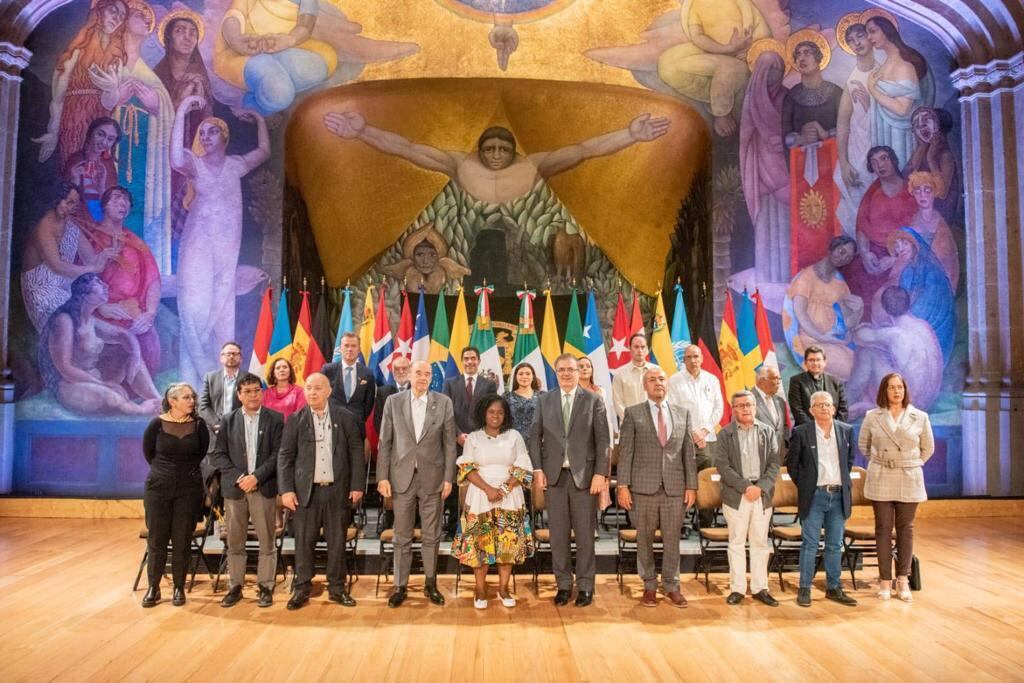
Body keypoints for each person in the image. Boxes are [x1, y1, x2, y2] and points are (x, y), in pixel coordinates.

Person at [322, 111, 669, 206]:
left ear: (514, 151)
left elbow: (585, 149)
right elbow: (407, 148)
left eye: (503, 149)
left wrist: (631, 135)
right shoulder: (460, 163)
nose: (497, 155)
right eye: (490, 149)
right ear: (479, 150)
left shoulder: (534, 164)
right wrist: (363, 132)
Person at [171, 95, 269, 385]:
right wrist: (181, 111)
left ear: (224, 136)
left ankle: (220, 387)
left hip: (226, 249)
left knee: (223, 311)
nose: (206, 136)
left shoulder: (236, 165)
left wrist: (259, 119)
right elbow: (176, 158)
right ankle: (191, 382)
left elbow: (264, 151)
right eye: (202, 133)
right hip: (198, 245)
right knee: (194, 307)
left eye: (212, 131)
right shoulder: (194, 164)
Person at [87, 0, 173, 266]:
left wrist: (156, 104)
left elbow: (166, 110)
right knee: (103, 199)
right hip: (113, 153)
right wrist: (115, 99)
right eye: (139, 15)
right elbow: (90, 103)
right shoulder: (109, 62)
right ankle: (105, 264)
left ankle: (142, 269)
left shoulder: (151, 74)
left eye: (149, 18)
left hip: (145, 156)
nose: (146, 21)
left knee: (141, 209)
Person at [528, 353, 610, 607]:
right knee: (558, 536)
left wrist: (600, 474)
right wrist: (538, 469)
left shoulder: (594, 400)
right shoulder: (544, 400)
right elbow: (534, 437)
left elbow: (604, 441)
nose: (566, 374)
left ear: (579, 372)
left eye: (571, 370)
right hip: (554, 478)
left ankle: (585, 586)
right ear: (556, 372)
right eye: (561, 369)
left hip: (585, 479)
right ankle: (563, 585)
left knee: (585, 536)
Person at [278, 373, 365, 610]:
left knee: (337, 542)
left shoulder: (345, 417)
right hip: (307, 492)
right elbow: (285, 457)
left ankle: (337, 588)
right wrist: (286, 490)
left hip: (337, 490)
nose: (312, 392)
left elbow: (357, 452)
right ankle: (302, 587)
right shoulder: (296, 419)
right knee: (304, 543)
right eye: (308, 388)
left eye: (318, 388)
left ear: (328, 391)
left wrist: (357, 485)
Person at [377, 360, 457, 608]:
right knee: (401, 536)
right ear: (409, 375)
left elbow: (449, 445)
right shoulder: (394, 402)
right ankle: (400, 586)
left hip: (432, 480)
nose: (423, 377)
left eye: (427, 374)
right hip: (401, 479)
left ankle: (430, 583)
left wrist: (448, 478)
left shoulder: (443, 403)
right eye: (418, 373)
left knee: (432, 536)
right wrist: (382, 477)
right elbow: (385, 442)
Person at [617, 367, 696, 608]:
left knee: (673, 540)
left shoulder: (683, 413)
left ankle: (672, 585)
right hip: (643, 489)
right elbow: (626, 452)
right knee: (645, 541)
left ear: (667, 383)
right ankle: (649, 586)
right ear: (645, 386)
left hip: (674, 489)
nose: (657, 383)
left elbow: (688, 454)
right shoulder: (633, 413)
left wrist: (691, 486)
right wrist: (622, 485)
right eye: (651, 380)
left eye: (661, 378)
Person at [38, 272, 161, 416]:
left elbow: (123, 335)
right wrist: (104, 384)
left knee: (131, 356)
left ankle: (157, 399)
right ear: (86, 295)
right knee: (112, 398)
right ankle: (141, 411)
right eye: (99, 284)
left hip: (95, 379)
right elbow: (65, 368)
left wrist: (135, 354)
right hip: (70, 385)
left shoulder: (90, 319)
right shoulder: (64, 320)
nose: (105, 286)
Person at [858, 373, 934, 602]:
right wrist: (882, 460)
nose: (896, 391)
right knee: (882, 529)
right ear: (884, 390)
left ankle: (902, 579)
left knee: (906, 529)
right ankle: (884, 580)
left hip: (908, 476)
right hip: (881, 475)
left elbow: (927, 449)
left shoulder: (919, 417)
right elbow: (864, 445)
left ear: (905, 390)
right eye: (891, 387)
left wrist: (910, 463)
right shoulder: (872, 416)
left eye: (900, 387)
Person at [453, 395, 534, 609]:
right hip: (481, 496)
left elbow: (524, 466)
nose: (496, 416)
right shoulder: (473, 438)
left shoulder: (514, 436)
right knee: (481, 545)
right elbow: (466, 468)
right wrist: (489, 489)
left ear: (505, 414)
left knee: (506, 545)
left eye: (500, 412)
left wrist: (504, 488)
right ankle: (479, 591)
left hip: (509, 496)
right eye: (491, 412)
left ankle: (504, 589)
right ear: (483, 413)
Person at [211, 372, 284, 608]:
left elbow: (278, 454)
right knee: (235, 542)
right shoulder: (228, 420)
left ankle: (265, 586)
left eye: (256, 390)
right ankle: (235, 586)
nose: (253, 395)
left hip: (263, 488)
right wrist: (241, 478)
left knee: (267, 541)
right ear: (239, 395)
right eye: (248, 391)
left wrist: (256, 477)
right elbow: (218, 456)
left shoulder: (275, 419)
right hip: (235, 490)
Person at [32, 0, 128, 172]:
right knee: (73, 166)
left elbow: (111, 102)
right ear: (99, 11)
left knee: (97, 169)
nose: (116, 18)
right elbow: (59, 96)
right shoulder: (79, 46)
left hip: (100, 119)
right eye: (112, 11)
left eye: (121, 16)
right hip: (74, 116)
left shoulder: (117, 56)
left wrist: (113, 89)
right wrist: (53, 131)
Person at [655, 0, 770, 137]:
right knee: (667, 62)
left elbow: (762, 32)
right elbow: (698, 37)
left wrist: (747, 51)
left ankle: (721, 113)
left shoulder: (742, 3)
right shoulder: (696, 5)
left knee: (730, 68)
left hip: (741, 57)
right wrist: (726, 48)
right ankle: (711, 97)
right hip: (712, 51)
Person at [140, 382, 209, 608]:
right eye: (186, 397)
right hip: (158, 488)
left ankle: (179, 587)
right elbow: (149, 453)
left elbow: (200, 453)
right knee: (157, 539)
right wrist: (166, 473)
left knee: (182, 539)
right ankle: (154, 587)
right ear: (173, 401)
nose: (191, 401)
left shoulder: (199, 426)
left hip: (188, 490)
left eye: (192, 397)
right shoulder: (156, 424)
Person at [80, 185, 162, 373]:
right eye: (116, 198)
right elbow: (80, 280)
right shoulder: (91, 238)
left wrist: (149, 313)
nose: (122, 203)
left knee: (149, 347)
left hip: (133, 313)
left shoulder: (135, 241)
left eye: (126, 200)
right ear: (105, 206)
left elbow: (153, 279)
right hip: (101, 312)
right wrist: (100, 307)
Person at [787, 391, 857, 608]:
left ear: (834, 408)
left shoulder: (846, 431)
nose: (824, 408)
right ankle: (805, 588)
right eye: (819, 405)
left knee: (835, 545)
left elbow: (849, 461)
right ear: (811, 410)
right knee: (810, 544)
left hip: (838, 496)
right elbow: (792, 465)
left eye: (828, 404)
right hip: (814, 496)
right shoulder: (801, 432)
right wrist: (807, 486)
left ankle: (833, 588)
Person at [713, 390, 780, 606]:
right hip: (737, 495)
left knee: (760, 542)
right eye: (740, 405)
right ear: (733, 410)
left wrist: (760, 488)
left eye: (749, 405)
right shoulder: (725, 434)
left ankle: (760, 588)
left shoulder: (768, 432)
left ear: (755, 407)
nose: (746, 409)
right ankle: (738, 589)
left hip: (761, 495)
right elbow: (723, 465)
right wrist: (745, 487)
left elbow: (774, 463)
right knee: (737, 542)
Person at [152, 8, 213, 237]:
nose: (188, 37)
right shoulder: (155, 78)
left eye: (192, 33)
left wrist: (200, 99)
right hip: (161, 154)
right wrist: (181, 98)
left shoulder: (202, 79)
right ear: (168, 38)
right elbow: (153, 118)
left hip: (192, 155)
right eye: (180, 31)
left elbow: (209, 122)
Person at [21, 182, 111, 332]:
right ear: (57, 200)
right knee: (73, 322)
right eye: (68, 202)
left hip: (65, 288)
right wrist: (92, 268)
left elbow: (90, 259)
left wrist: (105, 255)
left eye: (74, 205)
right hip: (41, 290)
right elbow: (57, 266)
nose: (71, 208)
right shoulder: (44, 227)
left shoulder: (71, 227)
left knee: (90, 316)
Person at [846, 286, 943, 419]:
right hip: (927, 401)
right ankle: (865, 407)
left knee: (868, 354)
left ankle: (843, 405)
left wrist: (854, 320)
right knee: (882, 356)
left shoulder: (895, 333)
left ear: (885, 309)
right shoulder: (923, 326)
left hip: (908, 402)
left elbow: (860, 336)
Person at [843, 146, 917, 318]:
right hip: (875, 252)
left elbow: (917, 232)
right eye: (874, 162)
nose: (880, 165)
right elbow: (862, 226)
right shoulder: (872, 193)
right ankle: (863, 325)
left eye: (884, 158)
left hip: (904, 252)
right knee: (854, 274)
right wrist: (865, 253)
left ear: (893, 160)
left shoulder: (910, 190)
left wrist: (896, 260)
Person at [740, 44, 790, 283]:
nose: (776, 74)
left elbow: (791, 127)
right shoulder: (751, 99)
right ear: (760, 72)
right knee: (766, 222)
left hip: (783, 167)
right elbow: (745, 139)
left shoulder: (786, 95)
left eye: (779, 69)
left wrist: (783, 140)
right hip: (760, 168)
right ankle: (766, 276)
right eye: (770, 70)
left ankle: (786, 274)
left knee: (785, 220)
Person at [782, 235, 864, 380]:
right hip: (809, 339)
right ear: (833, 247)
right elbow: (800, 315)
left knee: (858, 363)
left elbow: (848, 322)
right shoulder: (806, 277)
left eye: (849, 257)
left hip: (832, 338)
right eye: (842, 251)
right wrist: (822, 337)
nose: (843, 258)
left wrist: (859, 310)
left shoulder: (840, 284)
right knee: (849, 367)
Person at [443, 346, 497, 538]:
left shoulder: (489, 385)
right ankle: (452, 528)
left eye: (473, 358)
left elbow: (492, 413)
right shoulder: (450, 383)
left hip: (481, 443)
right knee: (457, 484)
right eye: (466, 358)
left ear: (479, 361)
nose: (470, 362)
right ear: (461, 361)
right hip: (456, 442)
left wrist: (477, 436)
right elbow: (446, 412)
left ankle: (480, 524)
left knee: (479, 483)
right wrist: (458, 434)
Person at [865, 15, 931, 166]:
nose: (869, 37)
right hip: (883, 134)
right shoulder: (885, 65)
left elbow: (902, 109)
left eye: (873, 31)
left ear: (887, 31)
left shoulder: (905, 66)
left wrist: (872, 89)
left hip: (900, 137)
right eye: (868, 33)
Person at [835, 18, 878, 235]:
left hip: (878, 145)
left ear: (870, 38)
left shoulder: (884, 74)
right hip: (855, 148)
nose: (857, 43)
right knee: (854, 205)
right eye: (851, 40)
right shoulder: (851, 80)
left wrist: (872, 105)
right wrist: (843, 162)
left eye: (860, 36)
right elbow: (842, 123)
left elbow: (897, 115)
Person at [666, 344, 723, 470]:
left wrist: (703, 431)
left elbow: (718, 408)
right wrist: (692, 433)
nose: (693, 360)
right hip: (684, 439)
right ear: (684, 360)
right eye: (689, 357)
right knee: (687, 480)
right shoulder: (674, 380)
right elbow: (673, 411)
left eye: (696, 356)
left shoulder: (712, 379)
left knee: (708, 480)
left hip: (709, 438)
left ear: (702, 358)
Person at [903, 107, 960, 222]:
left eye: (926, 119)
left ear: (938, 125)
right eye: (916, 124)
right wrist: (922, 147)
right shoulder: (921, 150)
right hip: (919, 213)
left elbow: (943, 193)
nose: (921, 125)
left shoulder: (945, 156)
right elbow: (905, 179)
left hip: (939, 216)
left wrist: (931, 159)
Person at [906, 170, 959, 293]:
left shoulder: (941, 226)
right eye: (917, 190)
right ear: (913, 193)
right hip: (917, 281)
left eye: (927, 190)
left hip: (939, 283)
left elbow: (948, 260)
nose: (922, 195)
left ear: (935, 192)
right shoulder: (913, 221)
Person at [63, 117, 122, 221]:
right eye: (100, 134)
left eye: (110, 139)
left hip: (99, 220)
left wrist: (101, 186)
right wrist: (74, 181)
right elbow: (64, 200)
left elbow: (109, 204)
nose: (104, 142)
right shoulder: (75, 160)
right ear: (91, 133)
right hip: (76, 218)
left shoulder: (109, 166)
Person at [321, 331, 375, 434]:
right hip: (331, 427)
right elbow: (322, 396)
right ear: (340, 349)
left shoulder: (367, 373)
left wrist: (358, 417)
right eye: (346, 345)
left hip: (357, 427)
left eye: (354, 346)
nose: (350, 349)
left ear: (359, 350)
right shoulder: (328, 370)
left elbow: (369, 403)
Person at [199, 341, 244, 455]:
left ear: (240, 358)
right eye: (228, 354)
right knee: (213, 471)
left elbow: (251, 406)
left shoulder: (249, 378)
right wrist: (217, 424)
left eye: (235, 354)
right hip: (215, 433)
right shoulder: (210, 378)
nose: (231, 356)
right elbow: (203, 406)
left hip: (239, 434)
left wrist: (232, 426)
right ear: (221, 358)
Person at [787, 345, 849, 426]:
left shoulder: (835, 382)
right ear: (805, 363)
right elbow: (797, 409)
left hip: (834, 432)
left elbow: (843, 408)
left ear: (824, 362)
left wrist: (833, 428)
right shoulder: (796, 381)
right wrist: (816, 430)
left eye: (818, 360)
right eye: (811, 360)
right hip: (807, 431)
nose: (815, 363)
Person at [612, 333, 659, 422]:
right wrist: (633, 422)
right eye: (636, 347)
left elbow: (664, 398)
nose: (640, 350)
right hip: (629, 426)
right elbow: (618, 402)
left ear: (647, 349)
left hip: (654, 424)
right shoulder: (620, 373)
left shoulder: (657, 371)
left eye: (642, 347)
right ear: (630, 349)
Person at [753, 365, 789, 454]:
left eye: (779, 379)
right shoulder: (747, 399)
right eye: (775, 378)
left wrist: (785, 444)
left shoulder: (780, 401)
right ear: (761, 380)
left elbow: (784, 426)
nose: (778, 382)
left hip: (780, 454)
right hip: (758, 454)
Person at [373, 355, 411, 435]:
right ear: (393, 372)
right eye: (397, 369)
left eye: (404, 368)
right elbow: (378, 420)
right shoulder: (383, 392)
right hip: (390, 440)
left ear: (410, 371)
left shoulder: (416, 391)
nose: (401, 372)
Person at [504, 361, 543, 438]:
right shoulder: (507, 397)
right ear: (515, 377)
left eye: (528, 374)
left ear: (533, 377)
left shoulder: (543, 396)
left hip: (538, 442)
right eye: (521, 374)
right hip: (513, 441)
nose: (524, 376)